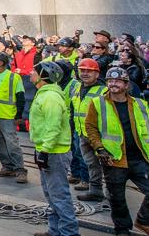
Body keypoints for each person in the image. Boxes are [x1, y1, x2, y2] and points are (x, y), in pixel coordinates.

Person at [85, 66, 149, 236]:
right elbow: (90, 127)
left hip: (139, 158)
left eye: (117, 81)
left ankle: (143, 220)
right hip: (114, 159)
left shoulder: (140, 104)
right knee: (117, 198)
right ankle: (122, 229)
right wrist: (99, 148)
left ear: (126, 85)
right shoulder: (98, 103)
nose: (113, 84)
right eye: (110, 81)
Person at [31, 61, 78, 236]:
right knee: (51, 194)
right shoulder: (44, 94)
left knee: (59, 195)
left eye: (34, 71)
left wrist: (45, 150)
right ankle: (55, 230)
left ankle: (69, 232)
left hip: (53, 151)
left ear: (43, 76)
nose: (31, 73)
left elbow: (53, 126)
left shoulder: (50, 97)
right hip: (47, 149)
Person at [0, 52, 27, 183]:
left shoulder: (14, 77)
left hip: (8, 116)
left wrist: (18, 115)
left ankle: (20, 170)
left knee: (12, 144)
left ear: (1, 62)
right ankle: (7, 167)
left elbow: (20, 98)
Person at [69, 58, 106, 202]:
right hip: (81, 132)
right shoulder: (77, 88)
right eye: (82, 70)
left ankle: (110, 193)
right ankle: (95, 190)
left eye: (89, 71)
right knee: (90, 163)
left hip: (98, 134)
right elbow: (74, 109)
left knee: (106, 166)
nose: (85, 73)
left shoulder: (103, 90)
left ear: (97, 74)